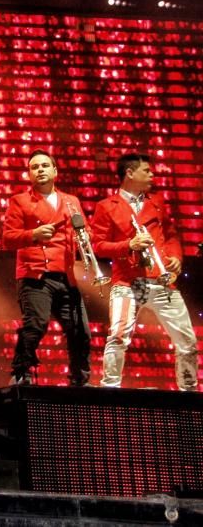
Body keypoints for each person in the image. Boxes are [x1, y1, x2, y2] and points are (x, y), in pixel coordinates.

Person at [90, 152, 197, 391]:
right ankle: (111, 389)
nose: (152, 175)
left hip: (162, 281)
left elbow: (171, 236)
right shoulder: (106, 206)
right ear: (130, 173)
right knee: (117, 336)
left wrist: (176, 258)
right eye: (147, 171)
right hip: (127, 283)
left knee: (187, 340)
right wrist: (128, 245)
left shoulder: (156, 202)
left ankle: (189, 392)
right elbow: (98, 245)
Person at [1, 149, 91, 387]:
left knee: (80, 329)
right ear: (29, 174)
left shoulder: (72, 202)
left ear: (55, 171)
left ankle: (79, 378)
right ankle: (21, 372)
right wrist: (33, 234)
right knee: (36, 325)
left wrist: (86, 240)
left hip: (66, 275)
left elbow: (85, 231)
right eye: (34, 167)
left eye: (44, 166)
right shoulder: (19, 201)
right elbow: (8, 238)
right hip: (35, 274)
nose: (39, 170)